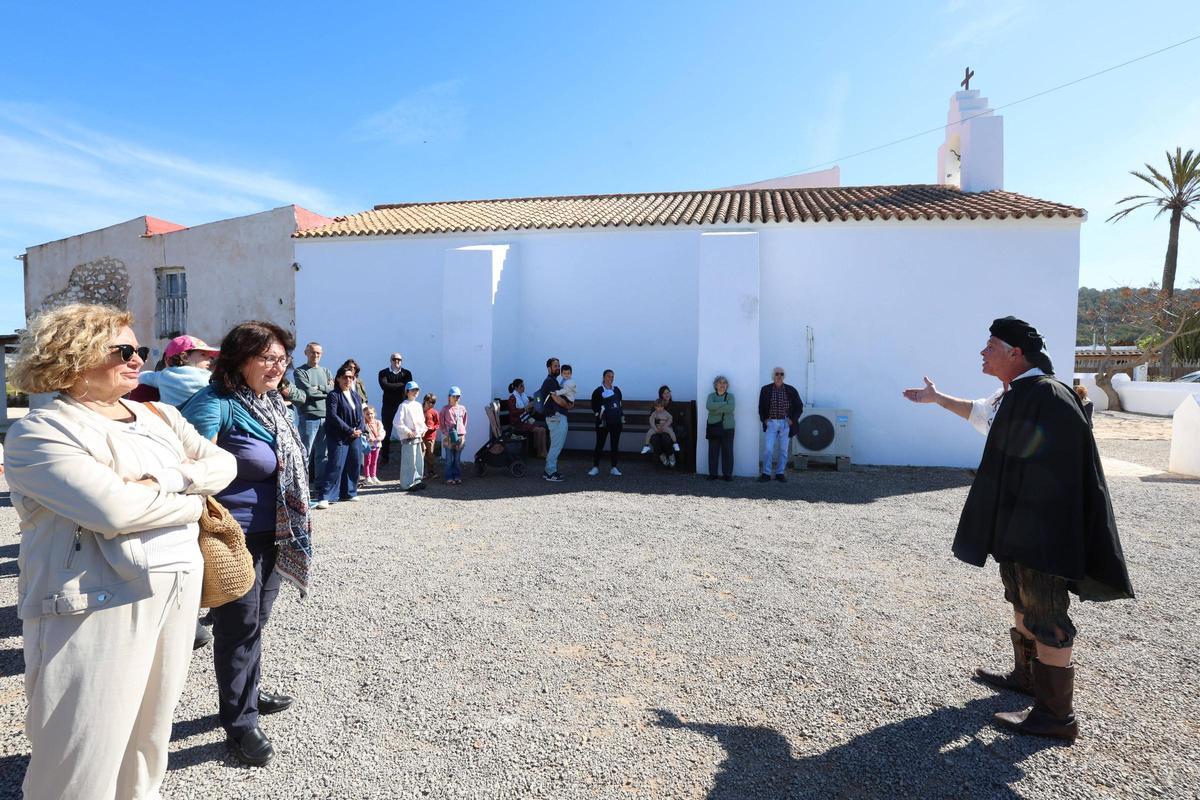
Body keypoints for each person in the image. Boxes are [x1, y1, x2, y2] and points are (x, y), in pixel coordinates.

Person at [4, 304, 236, 799]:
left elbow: (223, 465)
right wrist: (193, 507)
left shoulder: (161, 415)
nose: (138, 360)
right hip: (91, 603)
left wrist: (171, 480)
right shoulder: (38, 432)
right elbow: (113, 511)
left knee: (149, 736)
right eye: (123, 350)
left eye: (141, 350)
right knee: (81, 746)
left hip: (177, 589)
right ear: (74, 356)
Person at [901, 316, 1133, 742]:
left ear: (1016, 353)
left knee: (1047, 612)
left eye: (991, 345)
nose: (983, 352)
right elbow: (981, 415)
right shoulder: (1016, 393)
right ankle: (1026, 679)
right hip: (1018, 528)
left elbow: (1063, 472)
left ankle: (1056, 717)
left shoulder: (1048, 394)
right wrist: (936, 399)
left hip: (1042, 532)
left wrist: (1037, 527)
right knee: (1022, 601)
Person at [179, 320, 313, 767]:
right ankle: (240, 721)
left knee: (257, 621)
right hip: (233, 537)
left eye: (282, 359)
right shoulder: (215, 403)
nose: (279, 367)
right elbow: (188, 470)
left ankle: (249, 692)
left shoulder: (269, 402)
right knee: (237, 629)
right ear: (240, 360)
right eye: (269, 358)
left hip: (277, 531)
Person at [313, 365, 364, 508]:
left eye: (351, 377)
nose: (348, 379)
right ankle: (326, 496)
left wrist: (360, 429)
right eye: (345, 377)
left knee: (354, 464)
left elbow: (360, 414)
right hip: (339, 435)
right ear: (338, 379)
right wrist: (349, 430)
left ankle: (349, 492)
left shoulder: (355, 395)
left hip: (355, 435)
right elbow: (333, 416)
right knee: (335, 464)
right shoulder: (333, 395)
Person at [137, 334, 220, 406]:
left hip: (170, 419)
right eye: (203, 354)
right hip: (197, 418)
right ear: (185, 357)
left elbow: (143, 376)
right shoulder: (207, 378)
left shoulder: (163, 376)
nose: (210, 358)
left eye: (210, 356)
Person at [292, 342, 333, 482]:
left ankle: (320, 484)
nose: (315, 355)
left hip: (326, 416)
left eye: (318, 353)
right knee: (305, 453)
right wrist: (324, 390)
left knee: (323, 454)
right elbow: (308, 392)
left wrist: (319, 388)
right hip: (309, 416)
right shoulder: (300, 371)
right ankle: (302, 484)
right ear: (306, 353)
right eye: (313, 352)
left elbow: (332, 390)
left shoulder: (326, 371)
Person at [757, 367, 803, 483]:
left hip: (785, 423)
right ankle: (766, 473)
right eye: (777, 374)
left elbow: (799, 406)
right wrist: (765, 420)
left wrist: (793, 419)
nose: (779, 376)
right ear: (773, 375)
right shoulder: (765, 389)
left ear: (784, 376)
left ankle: (780, 473)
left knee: (783, 450)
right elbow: (761, 407)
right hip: (771, 423)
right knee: (768, 449)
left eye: (781, 374)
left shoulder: (791, 390)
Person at [537, 357, 572, 482]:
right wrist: (568, 405)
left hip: (555, 418)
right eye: (555, 366)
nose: (558, 368)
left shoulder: (553, 381)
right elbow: (556, 399)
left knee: (555, 446)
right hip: (556, 417)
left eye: (558, 366)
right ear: (549, 368)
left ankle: (550, 470)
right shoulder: (550, 381)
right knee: (556, 446)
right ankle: (550, 472)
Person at [378, 353, 413, 464]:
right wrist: (401, 385)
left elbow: (408, 387)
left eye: (399, 359)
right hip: (388, 406)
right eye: (394, 359)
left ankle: (407, 458)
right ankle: (384, 457)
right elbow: (385, 386)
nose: (396, 361)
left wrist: (392, 386)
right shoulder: (383, 373)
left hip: (402, 406)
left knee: (406, 432)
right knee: (386, 433)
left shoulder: (407, 373)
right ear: (390, 360)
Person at [394, 381, 428, 491]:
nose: (415, 392)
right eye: (413, 390)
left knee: (418, 460)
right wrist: (407, 431)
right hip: (408, 437)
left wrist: (423, 430)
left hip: (418, 437)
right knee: (409, 461)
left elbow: (422, 421)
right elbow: (397, 421)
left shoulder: (418, 405)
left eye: (417, 390)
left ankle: (417, 480)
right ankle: (407, 483)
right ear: (407, 392)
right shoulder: (403, 405)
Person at [589, 369, 624, 476]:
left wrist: (621, 417)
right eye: (609, 376)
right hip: (602, 423)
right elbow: (594, 406)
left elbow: (619, 404)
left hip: (616, 422)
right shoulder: (598, 391)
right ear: (604, 377)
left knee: (615, 444)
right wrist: (599, 415)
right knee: (600, 444)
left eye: (612, 377)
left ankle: (614, 467)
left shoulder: (617, 390)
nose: (611, 379)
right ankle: (595, 467)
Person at [507, 378, 548, 457]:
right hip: (518, 423)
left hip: (525, 421)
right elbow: (513, 413)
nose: (523, 388)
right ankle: (540, 452)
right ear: (516, 388)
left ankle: (542, 451)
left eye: (523, 386)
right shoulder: (512, 398)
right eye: (521, 386)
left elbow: (529, 410)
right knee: (539, 430)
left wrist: (533, 407)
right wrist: (525, 408)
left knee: (543, 430)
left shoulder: (523, 396)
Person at [706, 375, 736, 481]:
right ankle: (712, 474)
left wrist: (716, 408)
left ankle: (727, 475)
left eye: (724, 383)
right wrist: (723, 404)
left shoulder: (730, 396)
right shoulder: (711, 396)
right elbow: (709, 406)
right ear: (715, 385)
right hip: (714, 427)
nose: (722, 385)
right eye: (720, 382)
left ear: (727, 385)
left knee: (728, 452)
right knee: (713, 451)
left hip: (728, 428)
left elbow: (731, 407)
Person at [440, 386, 469, 485]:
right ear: (449, 397)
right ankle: (448, 477)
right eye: (454, 396)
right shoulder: (445, 409)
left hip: (460, 436)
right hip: (448, 437)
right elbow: (441, 423)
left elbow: (464, 421)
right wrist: (445, 433)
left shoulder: (462, 408)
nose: (456, 398)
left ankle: (457, 476)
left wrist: (463, 434)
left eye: (458, 396)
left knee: (457, 459)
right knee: (449, 459)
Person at [641, 397, 678, 466]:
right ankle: (648, 446)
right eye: (658, 407)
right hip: (656, 428)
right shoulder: (654, 412)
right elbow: (651, 420)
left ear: (663, 407)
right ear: (655, 407)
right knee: (653, 438)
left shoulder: (670, 409)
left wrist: (665, 425)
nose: (660, 408)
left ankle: (673, 448)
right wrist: (655, 428)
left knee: (666, 438)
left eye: (661, 407)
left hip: (665, 428)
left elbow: (671, 419)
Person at [361, 405, 385, 485]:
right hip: (367, 446)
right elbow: (362, 434)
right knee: (367, 461)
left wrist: (378, 438)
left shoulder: (378, 423)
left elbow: (382, 432)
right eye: (367, 414)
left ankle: (373, 476)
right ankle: (367, 477)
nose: (370, 415)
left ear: (374, 414)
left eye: (371, 413)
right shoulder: (363, 424)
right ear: (364, 415)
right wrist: (368, 439)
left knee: (374, 461)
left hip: (376, 445)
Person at [422, 393, 441, 479]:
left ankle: (431, 471)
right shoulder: (419, 410)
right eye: (430, 402)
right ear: (425, 401)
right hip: (420, 437)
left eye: (433, 403)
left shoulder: (434, 412)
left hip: (430, 437)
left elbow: (438, 424)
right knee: (421, 454)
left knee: (430, 455)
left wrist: (432, 427)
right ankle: (420, 473)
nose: (431, 404)